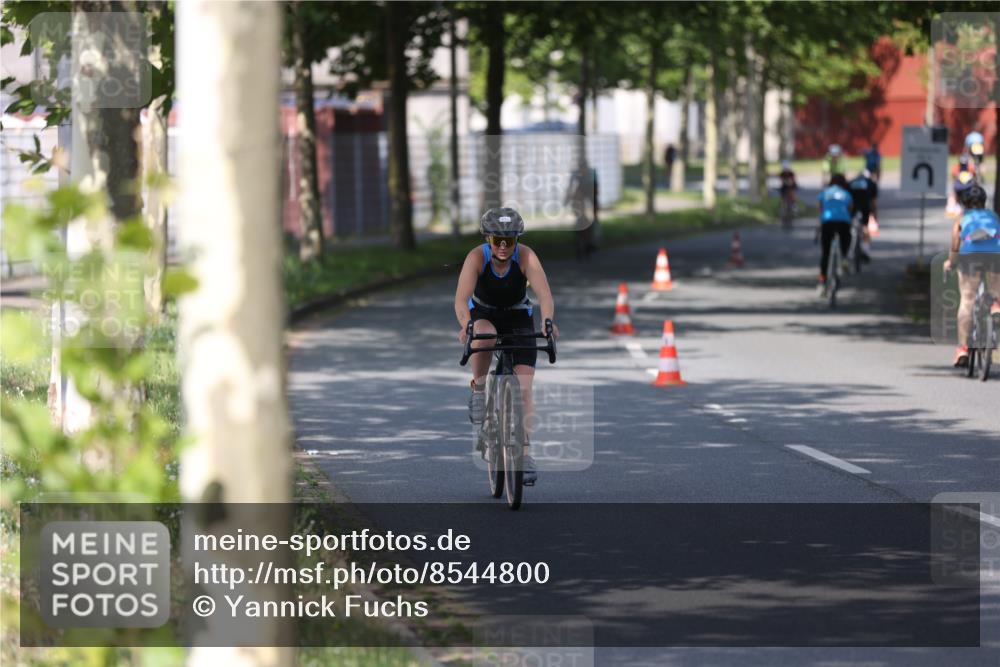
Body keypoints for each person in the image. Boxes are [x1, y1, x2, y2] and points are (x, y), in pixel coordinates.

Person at [454, 207, 559, 485]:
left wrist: (548, 322)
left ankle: (524, 456)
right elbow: (461, 300)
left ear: (516, 241)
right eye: (497, 241)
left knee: (524, 388)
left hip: (517, 315)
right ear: (488, 240)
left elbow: (545, 295)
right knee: (484, 336)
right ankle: (478, 388)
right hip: (485, 314)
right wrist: (466, 323)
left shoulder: (526, 256)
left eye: (509, 241)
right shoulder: (477, 257)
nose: (503, 247)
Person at [942, 184, 1000, 367]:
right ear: (984, 202)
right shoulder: (993, 216)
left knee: (967, 299)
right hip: (994, 254)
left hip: (970, 256)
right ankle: (996, 305)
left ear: (964, 202)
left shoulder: (962, 218)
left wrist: (950, 262)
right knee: (995, 289)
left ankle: (963, 349)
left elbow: (955, 244)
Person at [816, 173, 854, 296]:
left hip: (827, 222)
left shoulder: (825, 192)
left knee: (825, 254)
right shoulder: (846, 194)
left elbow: (820, 209)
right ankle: (844, 257)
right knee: (846, 238)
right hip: (843, 221)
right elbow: (850, 209)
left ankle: (822, 283)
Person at [848, 170, 878, 264]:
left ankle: (850, 249)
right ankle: (866, 250)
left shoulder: (851, 182)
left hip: (854, 206)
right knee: (865, 227)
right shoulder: (871, 183)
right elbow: (873, 200)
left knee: (850, 226)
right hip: (865, 206)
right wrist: (874, 214)